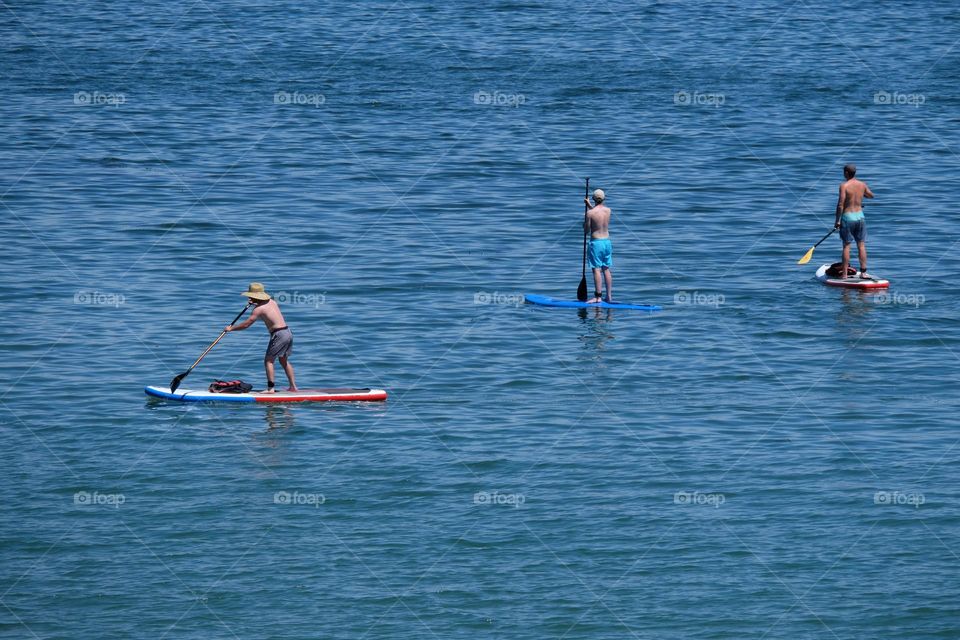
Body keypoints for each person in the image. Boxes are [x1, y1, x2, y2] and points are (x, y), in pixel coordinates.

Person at [225, 282, 297, 393]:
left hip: (279, 335)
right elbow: (265, 309)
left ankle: (270, 389)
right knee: (283, 361)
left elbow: (246, 325)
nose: (249, 297)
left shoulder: (258, 310)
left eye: (250, 296)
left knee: (268, 361)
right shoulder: (272, 302)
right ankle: (293, 387)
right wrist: (255, 303)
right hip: (287, 332)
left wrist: (231, 329)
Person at [834, 164, 875, 279]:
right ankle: (863, 272)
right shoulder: (862, 184)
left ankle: (845, 274)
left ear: (846, 173)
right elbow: (871, 196)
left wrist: (837, 221)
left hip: (847, 218)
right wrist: (860, 196)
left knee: (846, 246)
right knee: (861, 245)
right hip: (860, 217)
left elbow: (841, 204)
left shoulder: (844, 185)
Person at [584, 188, 613, 302]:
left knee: (596, 270)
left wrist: (585, 220)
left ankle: (598, 297)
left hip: (596, 243)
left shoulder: (590, 213)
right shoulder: (608, 210)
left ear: (593, 199)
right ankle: (609, 296)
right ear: (604, 199)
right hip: (607, 242)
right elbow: (599, 214)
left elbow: (586, 230)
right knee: (606, 269)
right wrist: (590, 206)